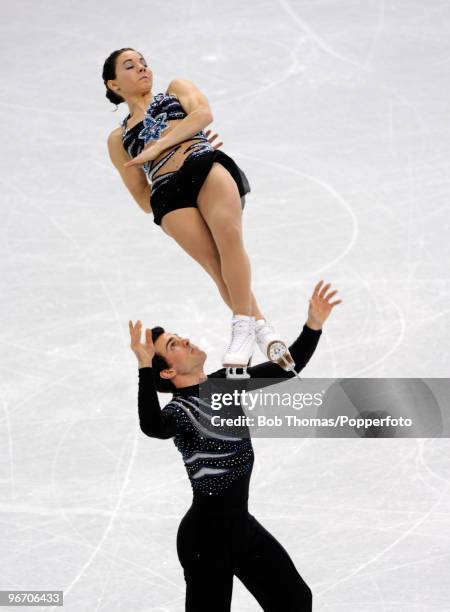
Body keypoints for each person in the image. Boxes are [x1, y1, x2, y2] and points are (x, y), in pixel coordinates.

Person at [129, 280, 342, 611]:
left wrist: (313, 324)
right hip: (204, 540)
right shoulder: (180, 411)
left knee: (295, 600)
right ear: (169, 371)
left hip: (240, 528)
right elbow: (152, 427)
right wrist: (144, 367)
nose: (184, 340)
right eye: (174, 345)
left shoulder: (224, 384)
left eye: (178, 336)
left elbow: (287, 367)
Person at [103, 47, 292, 376]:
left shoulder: (176, 89)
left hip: (202, 164)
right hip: (167, 193)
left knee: (230, 240)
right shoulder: (118, 138)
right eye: (130, 67)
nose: (143, 69)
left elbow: (203, 115)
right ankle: (262, 329)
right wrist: (167, 215)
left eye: (144, 63)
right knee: (214, 265)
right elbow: (140, 193)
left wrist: (165, 145)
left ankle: (243, 328)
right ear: (114, 85)